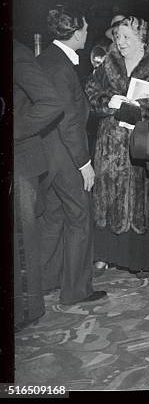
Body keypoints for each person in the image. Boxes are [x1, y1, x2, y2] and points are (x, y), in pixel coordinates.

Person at [37, 5, 107, 305]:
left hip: (47, 157)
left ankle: (44, 283)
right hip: (66, 157)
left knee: (53, 218)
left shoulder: (45, 59)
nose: (88, 33)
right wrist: (84, 163)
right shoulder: (62, 67)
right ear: (76, 32)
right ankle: (76, 291)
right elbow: (68, 122)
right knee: (79, 217)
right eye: (86, 29)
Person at [84, 16, 149, 276]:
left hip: (142, 140)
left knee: (142, 196)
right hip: (110, 142)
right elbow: (91, 92)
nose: (121, 41)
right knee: (108, 194)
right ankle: (106, 254)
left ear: (142, 38)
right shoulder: (109, 62)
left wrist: (143, 108)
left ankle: (138, 257)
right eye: (118, 36)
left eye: (127, 37)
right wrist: (109, 101)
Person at [13, 40, 64, 329]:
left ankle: (27, 310)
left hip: (21, 159)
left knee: (24, 238)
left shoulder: (16, 53)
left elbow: (50, 103)